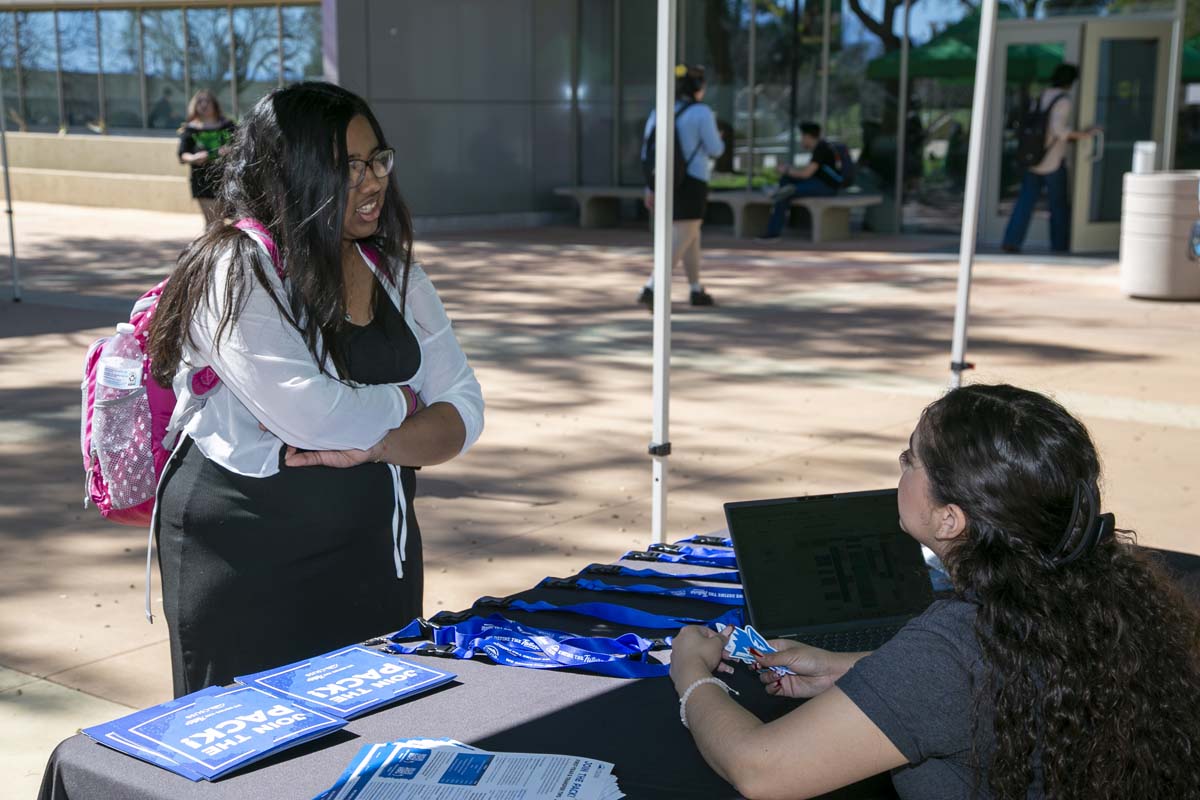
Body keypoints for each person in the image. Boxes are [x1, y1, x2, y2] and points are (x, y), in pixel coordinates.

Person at [670, 384, 1200, 799]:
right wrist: (848, 670)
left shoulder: (958, 644)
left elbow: (761, 770)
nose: (901, 467)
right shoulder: (1096, 589)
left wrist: (692, 675)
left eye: (912, 459)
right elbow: (1005, 685)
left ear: (949, 520)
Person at [147, 82, 484, 697]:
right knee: (257, 769)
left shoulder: (395, 270)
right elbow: (313, 416)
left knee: (379, 740)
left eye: (378, 159)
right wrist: (406, 405)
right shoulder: (233, 267)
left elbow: (464, 409)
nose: (374, 180)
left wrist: (378, 447)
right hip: (247, 558)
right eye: (347, 167)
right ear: (291, 172)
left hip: (375, 551)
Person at [638, 64, 725, 310]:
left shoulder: (660, 111)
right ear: (698, 87)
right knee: (683, 236)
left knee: (690, 236)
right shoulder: (702, 113)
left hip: (665, 181)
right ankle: (652, 286)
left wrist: (650, 187)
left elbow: (647, 151)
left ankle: (696, 289)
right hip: (692, 181)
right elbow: (715, 149)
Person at [1002, 64, 1097, 254]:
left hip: (1033, 157)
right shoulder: (1063, 100)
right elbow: (1059, 130)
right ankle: (1060, 245)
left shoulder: (1041, 96)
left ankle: (1012, 240)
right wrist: (1085, 135)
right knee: (1058, 206)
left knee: (1025, 202)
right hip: (1052, 159)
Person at [758, 122, 841, 241]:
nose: (801, 140)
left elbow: (806, 174)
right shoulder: (822, 147)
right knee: (786, 183)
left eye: (802, 137)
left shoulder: (821, 149)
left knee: (787, 192)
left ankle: (773, 231)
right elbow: (808, 173)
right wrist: (789, 172)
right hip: (817, 182)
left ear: (807, 136)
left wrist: (786, 170)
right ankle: (780, 191)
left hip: (826, 187)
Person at [177, 89, 237, 227]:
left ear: (215, 104)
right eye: (200, 102)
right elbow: (182, 154)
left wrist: (229, 151)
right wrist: (193, 158)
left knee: (223, 223)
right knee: (213, 222)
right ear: (195, 106)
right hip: (202, 180)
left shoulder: (228, 125)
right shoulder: (191, 129)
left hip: (226, 179)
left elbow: (241, 144)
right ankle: (211, 248)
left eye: (207, 101)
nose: (204, 105)